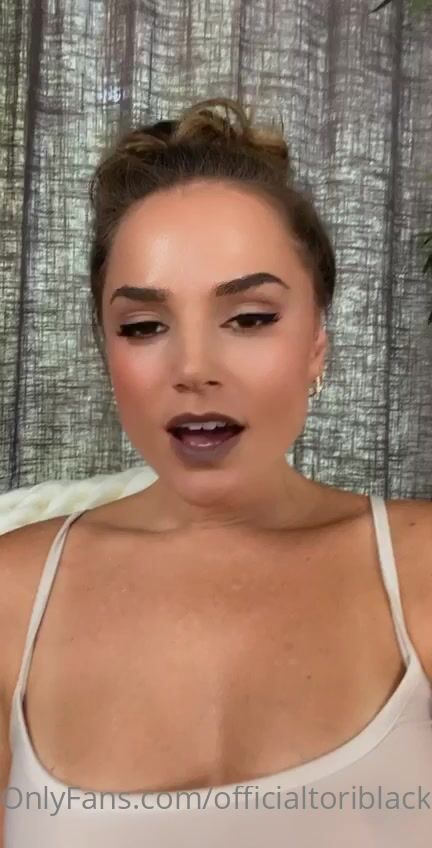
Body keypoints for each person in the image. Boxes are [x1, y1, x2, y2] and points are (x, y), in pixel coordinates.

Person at [1, 97, 431, 847]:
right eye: (144, 326)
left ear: (318, 343)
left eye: (250, 318)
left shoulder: (420, 569)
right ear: (106, 350)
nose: (194, 367)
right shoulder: (11, 596)